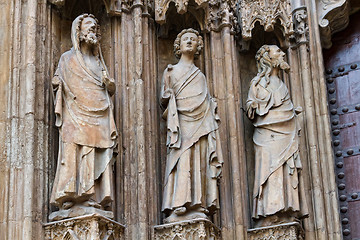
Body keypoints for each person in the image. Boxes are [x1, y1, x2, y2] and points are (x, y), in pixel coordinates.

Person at [50, 14, 117, 221]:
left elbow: (107, 88)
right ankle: (70, 195)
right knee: (72, 151)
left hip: (98, 114)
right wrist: (58, 83)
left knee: (94, 151)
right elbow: (58, 79)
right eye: (89, 26)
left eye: (96, 27)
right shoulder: (67, 58)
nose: (93, 30)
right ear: (77, 32)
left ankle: (91, 194)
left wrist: (109, 85)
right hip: (75, 113)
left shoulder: (99, 63)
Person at [160, 28, 223, 223]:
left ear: (198, 47)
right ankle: (179, 202)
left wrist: (211, 105)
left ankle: (198, 202)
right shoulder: (170, 71)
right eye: (185, 39)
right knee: (182, 159)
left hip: (201, 123)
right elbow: (164, 96)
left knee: (198, 160)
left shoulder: (200, 76)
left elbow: (203, 98)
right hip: (182, 124)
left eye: (193, 40)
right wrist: (167, 96)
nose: (189, 41)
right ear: (178, 46)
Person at [246, 45, 308, 227]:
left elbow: (285, 107)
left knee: (286, 170)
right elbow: (251, 105)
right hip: (267, 136)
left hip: (286, 134)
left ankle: (287, 209)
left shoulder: (281, 84)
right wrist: (255, 106)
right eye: (278, 52)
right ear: (267, 58)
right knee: (269, 170)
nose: (282, 54)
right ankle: (269, 212)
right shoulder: (257, 84)